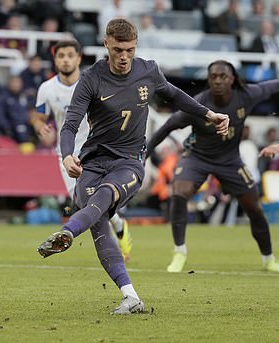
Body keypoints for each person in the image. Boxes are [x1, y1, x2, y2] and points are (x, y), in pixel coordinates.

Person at [36, 19, 229, 314]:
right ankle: (130, 296)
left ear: (135, 45)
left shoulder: (148, 70)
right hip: (92, 162)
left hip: (128, 162)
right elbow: (70, 124)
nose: (124, 56)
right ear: (106, 45)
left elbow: (175, 95)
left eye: (129, 50)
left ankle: (68, 232)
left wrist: (207, 114)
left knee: (102, 198)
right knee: (99, 224)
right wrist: (66, 156)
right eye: (117, 50)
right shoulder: (91, 78)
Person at [145, 60, 279, 273]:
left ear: (232, 79)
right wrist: (145, 154)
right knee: (179, 193)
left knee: (253, 207)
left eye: (222, 76)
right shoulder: (198, 104)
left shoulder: (247, 95)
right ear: (208, 79)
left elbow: (273, 86)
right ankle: (180, 252)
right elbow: (168, 126)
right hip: (197, 157)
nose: (217, 80)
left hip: (230, 160)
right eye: (213, 76)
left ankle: (269, 258)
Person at [31, 40, 134, 261]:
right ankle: (119, 225)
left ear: (78, 58)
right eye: (61, 56)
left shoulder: (92, 82)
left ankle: (113, 250)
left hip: (97, 149)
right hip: (67, 154)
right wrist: (40, 126)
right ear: (55, 59)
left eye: (70, 55)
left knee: (94, 204)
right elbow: (37, 116)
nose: (66, 59)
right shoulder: (47, 89)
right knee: (87, 204)